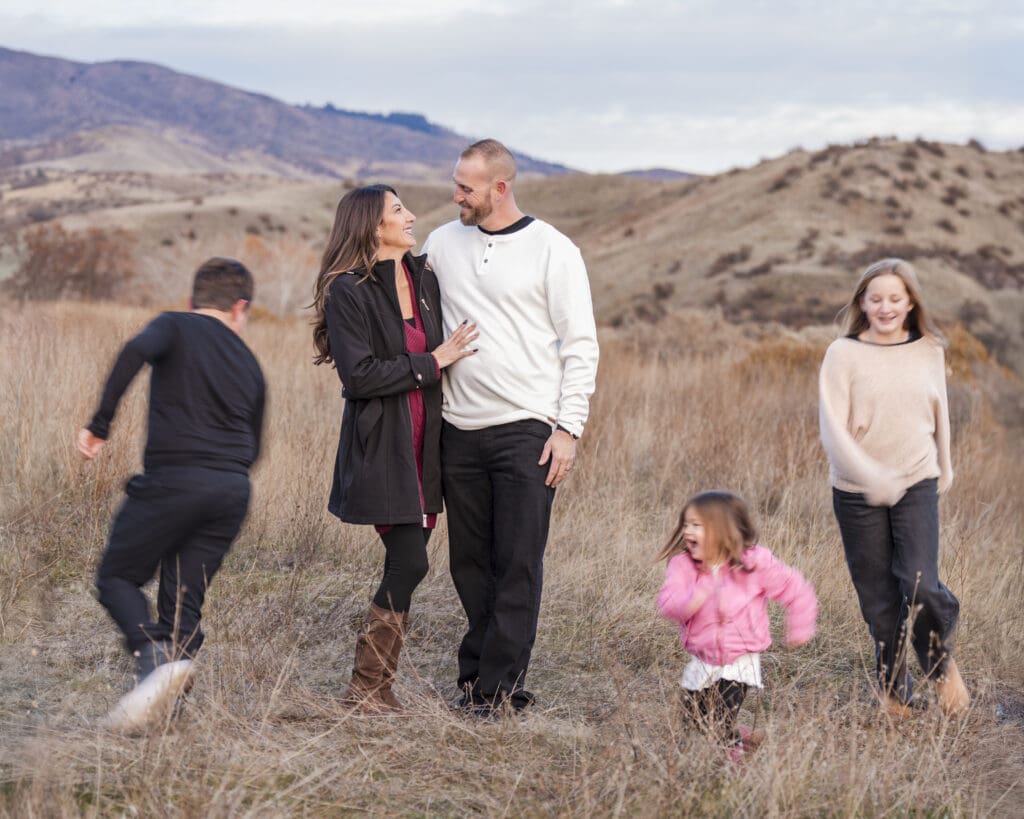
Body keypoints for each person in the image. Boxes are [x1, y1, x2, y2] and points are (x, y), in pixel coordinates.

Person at [421, 139, 600, 716]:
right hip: (456, 428)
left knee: (517, 561)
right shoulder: (441, 243)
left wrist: (568, 429)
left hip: (526, 429)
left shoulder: (554, 250)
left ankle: (497, 692)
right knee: (468, 563)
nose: (456, 196)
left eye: (466, 188)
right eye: (456, 184)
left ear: (500, 188)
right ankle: (475, 679)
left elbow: (580, 346)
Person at [78, 257, 265, 730]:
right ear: (241, 308)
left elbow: (133, 352)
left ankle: (152, 659)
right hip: (231, 491)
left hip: (174, 480)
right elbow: (254, 445)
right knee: (183, 602)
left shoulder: (174, 325)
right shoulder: (250, 363)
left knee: (117, 577)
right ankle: (167, 711)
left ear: (191, 301)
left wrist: (99, 425)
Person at [311, 184, 477, 712]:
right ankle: (367, 690)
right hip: (385, 447)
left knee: (411, 561)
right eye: (397, 210)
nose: (410, 217)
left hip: (431, 443)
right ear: (371, 226)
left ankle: (372, 691)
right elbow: (359, 376)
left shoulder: (423, 275)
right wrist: (435, 359)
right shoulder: (347, 291)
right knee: (409, 562)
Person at [819, 258, 969, 717]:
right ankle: (893, 695)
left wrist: (945, 465)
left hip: (916, 480)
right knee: (881, 602)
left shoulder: (929, 349)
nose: (885, 307)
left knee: (920, 584)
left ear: (910, 303)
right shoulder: (842, 354)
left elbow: (938, 408)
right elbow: (833, 431)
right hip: (856, 491)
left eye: (895, 298)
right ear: (862, 302)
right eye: (876, 298)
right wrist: (871, 477)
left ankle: (941, 670)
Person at [656, 490, 817, 760]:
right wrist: (692, 600)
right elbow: (667, 603)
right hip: (703, 658)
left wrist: (800, 628)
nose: (687, 531)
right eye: (686, 524)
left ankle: (734, 765)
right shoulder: (683, 566)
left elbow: (796, 589)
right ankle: (741, 735)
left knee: (718, 719)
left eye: (697, 525)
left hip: (739, 660)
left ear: (724, 530)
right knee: (691, 718)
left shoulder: (753, 564)